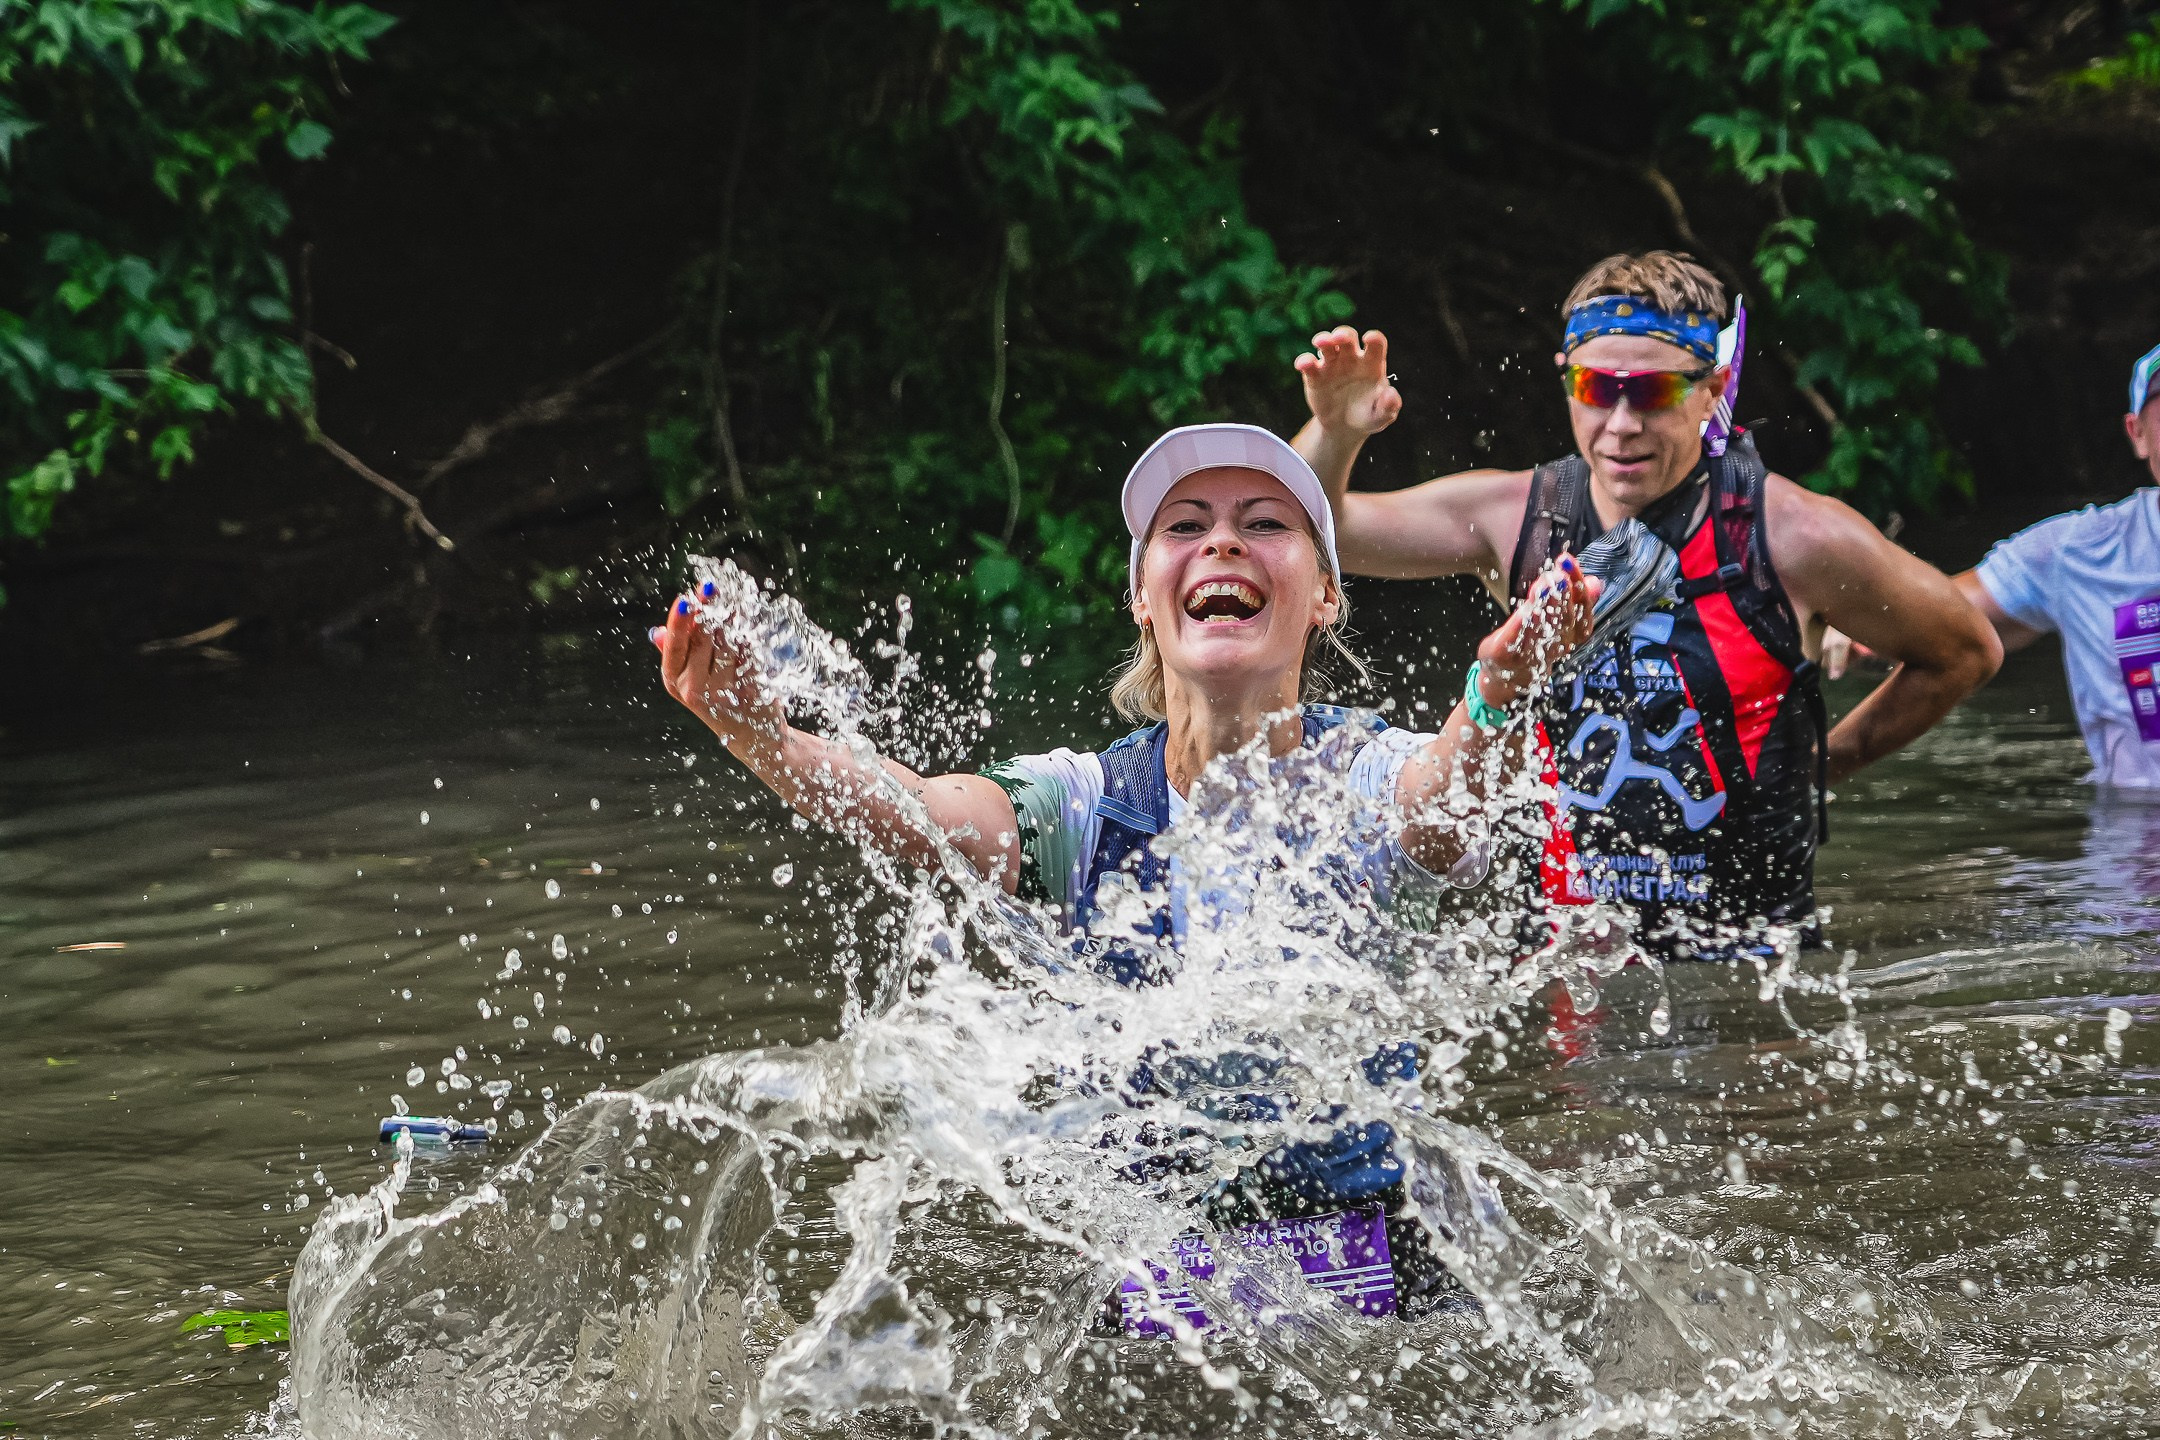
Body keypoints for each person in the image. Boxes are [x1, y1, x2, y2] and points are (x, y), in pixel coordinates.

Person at [656, 421, 1601, 1319]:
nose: (1222, 544)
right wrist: (765, 737)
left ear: (1323, 596)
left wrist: (1496, 697)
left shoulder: (1368, 777)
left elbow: (1440, 807)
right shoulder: (1082, 804)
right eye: (1185, 528)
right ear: (1146, 598)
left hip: (1390, 1286)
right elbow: (920, 812)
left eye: (1264, 525)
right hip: (1159, 1282)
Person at [1289, 251, 2002, 958]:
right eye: (1597, 388)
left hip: (1752, 983)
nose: (1621, 423)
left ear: (1712, 388)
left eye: (1654, 392)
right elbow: (1326, 533)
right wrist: (1337, 431)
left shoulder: (1796, 536)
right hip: (1578, 975)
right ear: (1567, 381)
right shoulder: (1518, 518)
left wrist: (1823, 763)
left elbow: (1965, 652)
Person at [1826, 341, 2160, 790]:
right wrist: (1851, 618)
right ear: (2137, 432)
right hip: (2135, 840)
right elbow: (1936, 620)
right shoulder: (2077, 554)